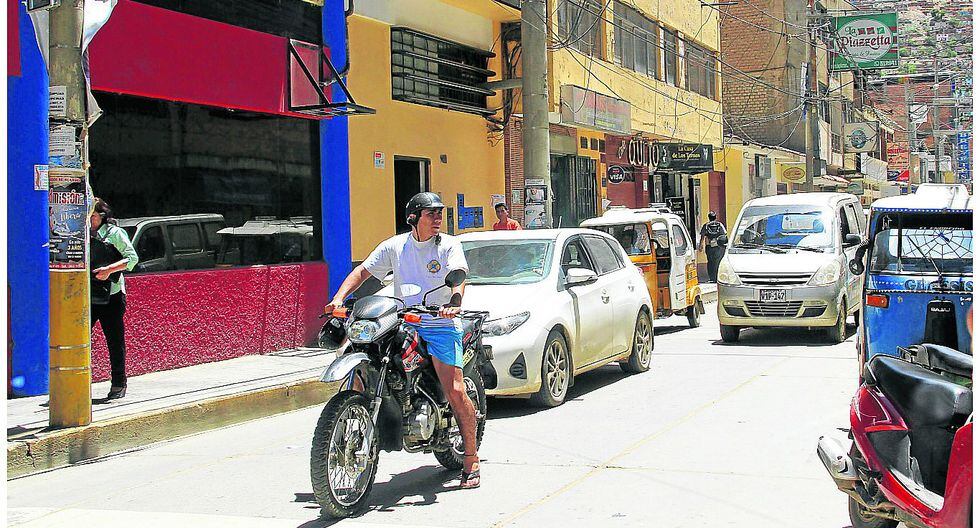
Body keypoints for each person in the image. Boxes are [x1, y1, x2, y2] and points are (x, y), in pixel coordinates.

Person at [323, 192, 481, 489]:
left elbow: (458, 277)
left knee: (455, 389)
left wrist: (454, 302)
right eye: (431, 213)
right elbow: (362, 271)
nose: (438, 218)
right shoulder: (395, 246)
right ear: (413, 217)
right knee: (369, 351)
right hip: (403, 320)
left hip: (439, 322)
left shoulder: (448, 245)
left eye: (439, 213)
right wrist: (338, 298)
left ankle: (471, 459)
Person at [89, 198, 139, 400]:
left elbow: (132, 259)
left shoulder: (115, 233)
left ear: (102, 216)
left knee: (114, 341)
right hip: (88, 294)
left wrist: (109, 270)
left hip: (112, 295)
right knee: (79, 339)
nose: (89, 220)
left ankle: (119, 383)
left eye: (92, 216)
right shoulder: (82, 234)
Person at [699, 211, 727, 283]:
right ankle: (717, 277)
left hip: (709, 246)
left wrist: (701, 245)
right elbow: (724, 234)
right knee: (717, 262)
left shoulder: (706, 225)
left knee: (710, 262)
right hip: (718, 246)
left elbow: (702, 236)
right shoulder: (720, 225)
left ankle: (711, 277)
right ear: (715, 217)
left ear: (709, 217)